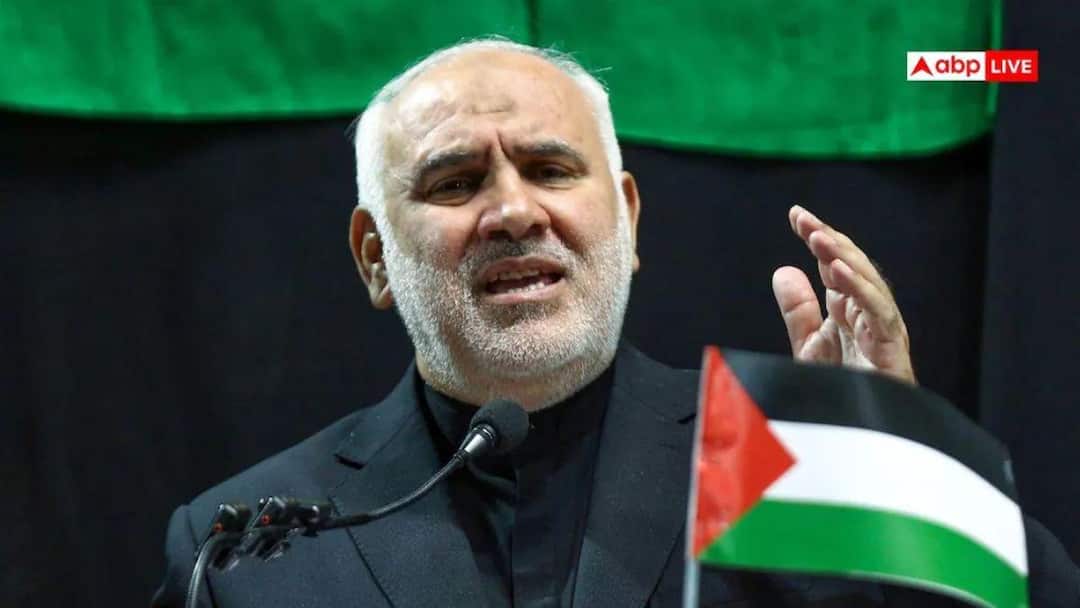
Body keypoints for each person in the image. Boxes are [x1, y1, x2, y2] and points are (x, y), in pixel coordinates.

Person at [153, 38, 1079, 607]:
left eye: (552, 169)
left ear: (628, 219)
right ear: (373, 257)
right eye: (455, 181)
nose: (514, 211)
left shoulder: (792, 465)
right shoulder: (247, 548)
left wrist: (902, 461)